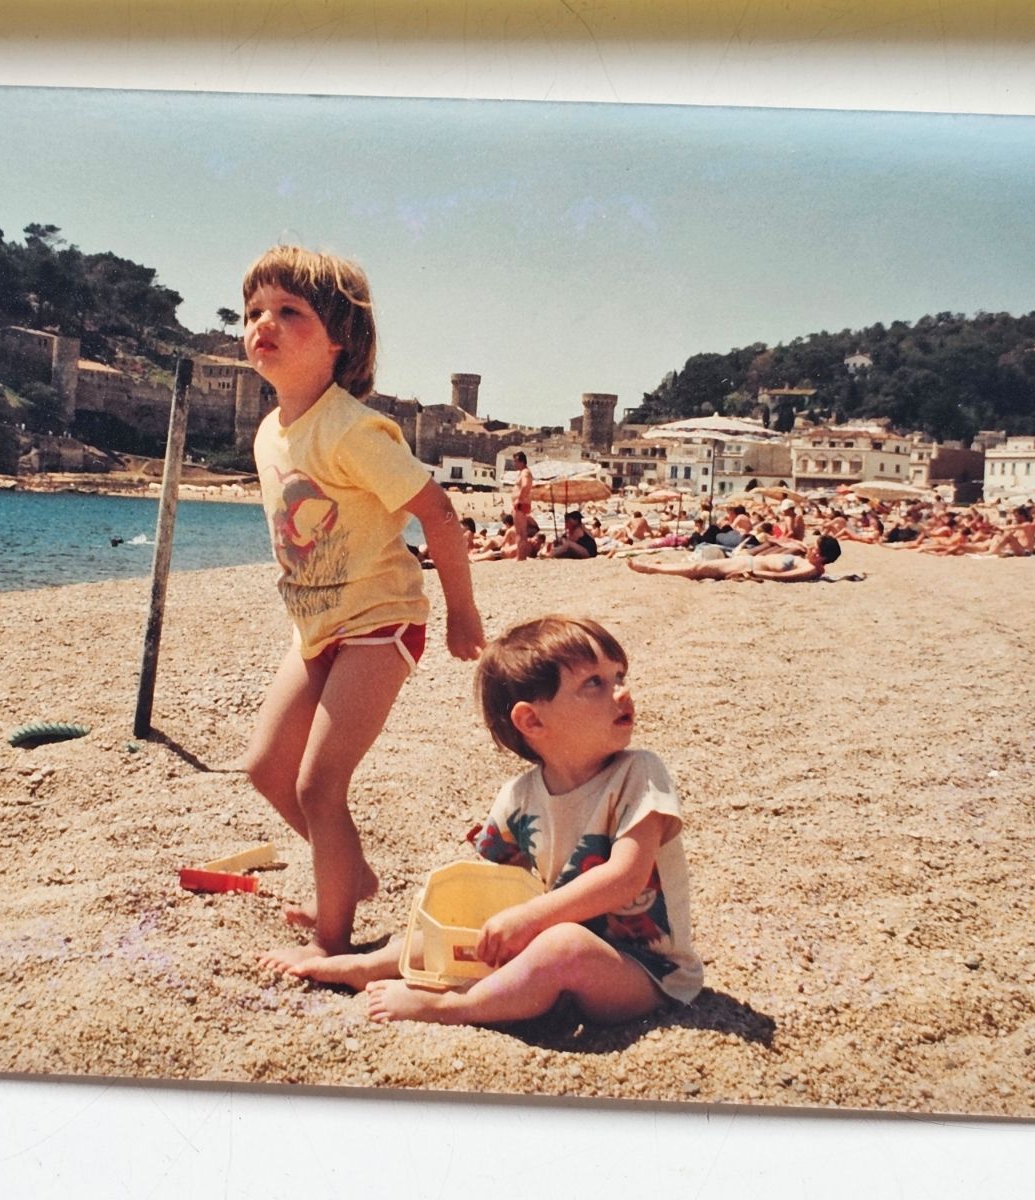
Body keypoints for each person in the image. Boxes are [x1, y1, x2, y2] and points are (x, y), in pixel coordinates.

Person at [238, 245, 487, 970]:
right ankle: (350, 874)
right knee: (264, 769)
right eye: (254, 312)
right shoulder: (269, 432)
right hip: (314, 623)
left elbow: (438, 513)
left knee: (320, 783)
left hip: (379, 622)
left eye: (290, 312)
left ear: (340, 339)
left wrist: (461, 611)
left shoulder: (352, 429)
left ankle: (332, 937)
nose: (264, 324)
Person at [280, 616, 703, 1027]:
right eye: (595, 682)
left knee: (562, 945)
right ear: (532, 721)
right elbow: (489, 892)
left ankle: (451, 1007)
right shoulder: (518, 797)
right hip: (547, 950)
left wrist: (531, 919)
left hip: (643, 973)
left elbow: (625, 878)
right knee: (459, 924)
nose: (622, 693)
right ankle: (367, 964)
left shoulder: (639, 773)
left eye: (620, 676)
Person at [626, 535, 842, 582]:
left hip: (747, 565)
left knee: (699, 568)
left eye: (816, 547)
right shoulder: (809, 561)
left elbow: (787, 577)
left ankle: (650, 569)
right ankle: (660, 567)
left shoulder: (812, 569)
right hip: (746, 562)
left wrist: (753, 573)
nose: (811, 547)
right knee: (699, 566)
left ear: (821, 556)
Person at [510, 451, 535, 561]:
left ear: (521, 461)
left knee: (520, 533)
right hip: (521, 505)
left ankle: (521, 557)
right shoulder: (523, 472)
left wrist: (519, 500)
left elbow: (526, 486)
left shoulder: (525, 472)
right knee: (520, 532)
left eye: (516, 461)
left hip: (520, 505)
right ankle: (520, 556)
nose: (514, 464)